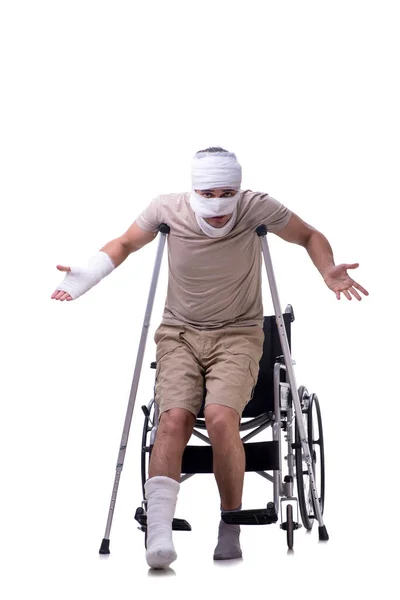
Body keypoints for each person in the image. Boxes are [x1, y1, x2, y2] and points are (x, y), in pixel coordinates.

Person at [51, 146, 369, 569]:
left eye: (226, 193)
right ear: (193, 190)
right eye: (207, 193)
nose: (217, 204)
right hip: (179, 334)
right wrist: (85, 275)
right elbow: (126, 242)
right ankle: (159, 533)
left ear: (238, 190)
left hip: (238, 334)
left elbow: (309, 234)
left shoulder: (257, 207)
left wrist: (327, 269)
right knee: (173, 418)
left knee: (221, 417)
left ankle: (230, 523)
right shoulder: (167, 209)